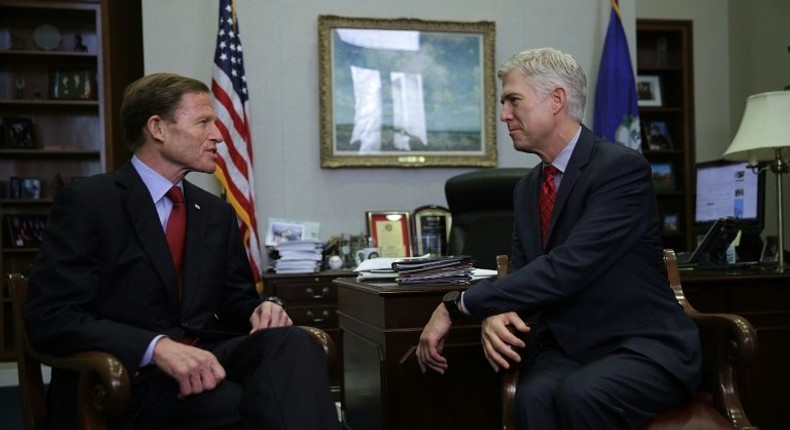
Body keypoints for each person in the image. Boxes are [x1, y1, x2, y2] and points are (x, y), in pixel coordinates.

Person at [25, 73, 340, 430]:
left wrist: (264, 309)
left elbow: (234, 301)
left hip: (205, 357)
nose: (218, 135)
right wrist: (154, 346)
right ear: (157, 128)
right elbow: (50, 317)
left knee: (294, 343)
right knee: (251, 402)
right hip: (126, 375)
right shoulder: (91, 202)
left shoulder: (215, 213)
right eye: (204, 122)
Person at [416, 48, 702, 429]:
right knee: (532, 397)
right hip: (569, 348)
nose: (504, 115)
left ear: (556, 100)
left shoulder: (620, 169)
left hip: (640, 346)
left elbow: (569, 267)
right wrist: (497, 310)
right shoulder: (527, 188)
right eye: (504, 103)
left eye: (513, 100)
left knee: (581, 394)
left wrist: (458, 305)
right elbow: (523, 272)